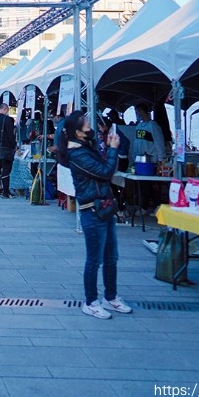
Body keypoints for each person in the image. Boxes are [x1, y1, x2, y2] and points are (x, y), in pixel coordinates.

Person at [61, 110, 132, 320]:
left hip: (105, 205)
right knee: (94, 259)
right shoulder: (77, 154)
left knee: (111, 257)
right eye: (87, 127)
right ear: (78, 132)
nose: (91, 129)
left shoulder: (86, 147)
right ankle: (91, 302)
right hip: (92, 209)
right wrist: (112, 149)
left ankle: (111, 297)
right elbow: (105, 172)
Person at [0, 103, 17, 198]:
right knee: (6, 168)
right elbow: (11, 135)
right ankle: (5, 191)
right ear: (5, 109)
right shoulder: (8, 120)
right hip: (6, 146)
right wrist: (14, 145)